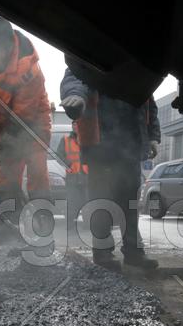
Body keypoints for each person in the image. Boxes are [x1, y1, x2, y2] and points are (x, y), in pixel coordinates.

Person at [60, 67, 161, 270]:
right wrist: (75, 94)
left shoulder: (136, 63)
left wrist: (152, 136)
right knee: (101, 202)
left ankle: (133, 253)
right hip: (100, 145)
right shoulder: (92, 54)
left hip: (130, 145)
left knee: (130, 203)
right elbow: (76, 76)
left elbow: (148, 101)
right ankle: (102, 253)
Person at [0, 15, 53, 246]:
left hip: (33, 125)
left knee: (37, 175)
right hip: (5, 125)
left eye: (1, 48)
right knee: (5, 177)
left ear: (10, 43)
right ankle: (8, 230)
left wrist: (5, 148)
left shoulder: (29, 69)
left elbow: (23, 117)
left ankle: (43, 231)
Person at [56, 129, 89, 231]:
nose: (75, 126)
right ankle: (70, 227)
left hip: (86, 177)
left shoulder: (89, 139)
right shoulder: (65, 140)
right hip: (72, 177)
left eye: (77, 123)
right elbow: (59, 156)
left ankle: (88, 225)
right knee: (72, 202)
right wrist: (68, 164)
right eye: (74, 123)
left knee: (88, 202)